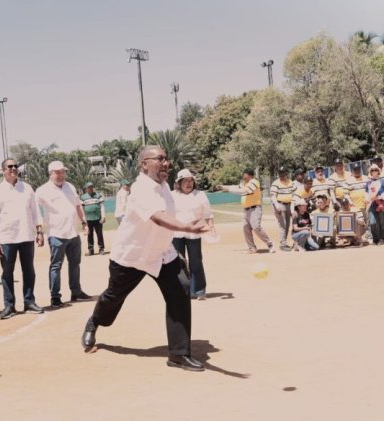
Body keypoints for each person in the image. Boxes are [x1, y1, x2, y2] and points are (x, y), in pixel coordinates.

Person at [81, 146, 211, 372]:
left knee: (180, 291)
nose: (165, 163)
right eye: (159, 159)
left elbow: (168, 218)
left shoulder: (165, 188)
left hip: (161, 254)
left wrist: (176, 251)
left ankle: (178, 354)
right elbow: (158, 218)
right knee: (113, 296)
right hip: (132, 256)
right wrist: (185, 227)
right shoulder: (141, 188)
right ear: (144, 164)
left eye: (166, 159)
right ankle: (95, 320)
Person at [0, 158, 45, 320]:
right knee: (7, 272)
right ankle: (9, 305)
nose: (13, 169)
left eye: (15, 166)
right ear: (3, 170)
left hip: (26, 235)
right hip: (7, 238)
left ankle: (29, 302)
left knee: (29, 270)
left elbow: (35, 212)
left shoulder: (27, 188)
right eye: (10, 166)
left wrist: (39, 231)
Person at [35, 161, 92, 308]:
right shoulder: (42, 190)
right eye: (58, 172)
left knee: (75, 264)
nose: (61, 175)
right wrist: (39, 231)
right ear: (50, 173)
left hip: (73, 232)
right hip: (56, 234)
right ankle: (55, 297)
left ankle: (76, 292)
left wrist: (84, 223)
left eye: (63, 172)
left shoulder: (70, 186)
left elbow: (78, 205)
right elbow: (35, 211)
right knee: (56, 266)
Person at [172, 168, 213, 300]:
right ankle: (182, 291)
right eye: (185, 181)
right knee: (179, 263)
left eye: (191, 181)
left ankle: (199, 290)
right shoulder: (172, 195)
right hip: (176, 232)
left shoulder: (200, 195)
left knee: (196, 261)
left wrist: (211, 226)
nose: (189, 183)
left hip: (194, 232)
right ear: (179, 182)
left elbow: (207, 213)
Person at [220, 168, 275, 254]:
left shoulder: (254, 182)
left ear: (249, 175)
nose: (243, 176)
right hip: (246, 210)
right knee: (246, 228)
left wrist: (229, 190)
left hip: (255, 209)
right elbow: (236, 187)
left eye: (244, 174)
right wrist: (224, 187)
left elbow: (244, 191)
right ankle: (252, 248)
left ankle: (269, 244)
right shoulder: (244, 183)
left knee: (256, 226)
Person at [270, 167, 296, 251]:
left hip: (289, 204)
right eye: (280, 173)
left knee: (287, 225)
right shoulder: (276, 183)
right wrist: (276, 206)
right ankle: (282, 244)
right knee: (283, 225)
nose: (281, 174)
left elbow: (293, 195)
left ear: (286, 173)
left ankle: (284, 242)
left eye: (283, 172)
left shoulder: (290, 182)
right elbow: (273, 196)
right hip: (280, 204)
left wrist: (292, 208)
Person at [345, 162, 371, 243]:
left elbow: (371, 190)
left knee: (368, 221)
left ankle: (368, 237)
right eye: (355, 169)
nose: (357, 171)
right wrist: (350, 202)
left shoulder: (366, 179)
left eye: (358, 169)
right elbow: (346, 194)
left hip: (366, 204)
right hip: (354, 206)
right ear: (352, 171)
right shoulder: (348, 181)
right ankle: (356, 238)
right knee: (356, 223)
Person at [366, 164, 384, 246]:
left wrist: (379, 197)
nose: (374, 172)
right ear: (370, 172)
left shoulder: (382, 181)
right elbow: (366, 192)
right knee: (372, 222)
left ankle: (381, 239)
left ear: (378, 171)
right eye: (372, 170)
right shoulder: (369, 183)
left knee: (381, 222)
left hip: (381, 204)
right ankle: (375, 239)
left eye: (375, 170)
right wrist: (367, 198)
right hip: (372, 205)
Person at [81, 182, 106, 255]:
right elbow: (82, 209)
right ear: (86, 189)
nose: (91, 188)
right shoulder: (83, 197)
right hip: (88, 219)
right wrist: (83, 219)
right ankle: (90, 250)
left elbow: (102, 206)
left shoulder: (98, 195)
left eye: (92, 187)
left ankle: (101, 249)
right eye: (89, 187)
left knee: (99, 234)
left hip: (98, 218)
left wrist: (103, 216)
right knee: (89, 235)